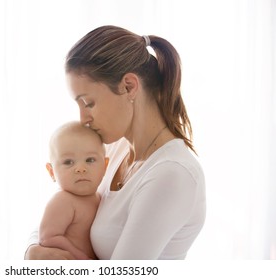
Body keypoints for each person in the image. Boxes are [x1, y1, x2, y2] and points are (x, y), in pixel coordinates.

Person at [25, 25, 206, 260]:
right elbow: (60, 210)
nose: (83, 119)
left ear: (129, 86)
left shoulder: (171, 174)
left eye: (88, 103)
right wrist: (32, 249)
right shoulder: (114, 149)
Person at [38, 121, 109, 260]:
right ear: (51, 171)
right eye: (68, 162)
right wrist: (80, 257)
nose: (81, 168)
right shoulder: (62, 200)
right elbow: (47, 238)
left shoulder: (100, 196)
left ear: (105, 165)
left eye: (90, 160)